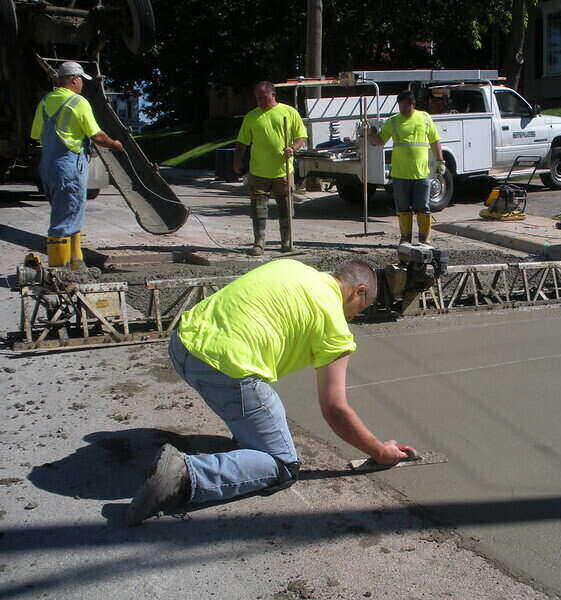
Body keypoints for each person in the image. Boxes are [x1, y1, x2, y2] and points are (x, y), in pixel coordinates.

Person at [126, 259, 415, 526]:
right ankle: (185, 476)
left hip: (183, 345)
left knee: (261, 400)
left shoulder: (291, 267)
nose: (354, 317)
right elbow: (335, 409)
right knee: (282, 464)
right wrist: (379, 451)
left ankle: (247, 436)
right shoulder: (335, 325)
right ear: (358, 291)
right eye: (360, 309)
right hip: (226, 370)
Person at [30, 61, 123, 271]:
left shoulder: (45, 102)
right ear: (74, 79)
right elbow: (97, 136)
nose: (82, 83)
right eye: (81, 79)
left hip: (48, 167)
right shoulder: (78, 102)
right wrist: (115, 145)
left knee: (69, 212)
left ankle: (76, 262)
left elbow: (37, 135)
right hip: (69, 167)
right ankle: (59, 270)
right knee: (64, 219)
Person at [234, 81, 307, 255]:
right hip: (259, 171)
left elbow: (301, 136)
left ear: (273, 95)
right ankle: (259, 243)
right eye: (257, 98)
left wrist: (293, 148)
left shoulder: (289, 112)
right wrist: (237, 161)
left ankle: (286, 241)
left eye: (263, 98)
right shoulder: (252, 117)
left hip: (282, 170)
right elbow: (242, 142)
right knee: (258, 208)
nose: (259, 101)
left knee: (285, 207)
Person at [368, 90, 444, 244]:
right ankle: (405, 239)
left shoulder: (424, 118)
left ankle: (425, 239)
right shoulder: (394, 121)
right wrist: (370, 133)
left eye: (405, 108)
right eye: (400, 107)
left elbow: (435, 141)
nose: (402, 111)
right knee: (403, 209)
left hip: (421, 173)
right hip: (400, 174)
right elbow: (379, 141)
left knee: (423, 208)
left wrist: (440, 161)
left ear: (412, 104)